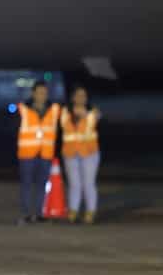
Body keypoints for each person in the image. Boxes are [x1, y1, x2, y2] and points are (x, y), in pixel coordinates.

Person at [16, 80, 61, 224]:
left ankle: (40, 213)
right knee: (27, 184)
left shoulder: (54, 109)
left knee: (42, 185)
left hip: (45, 153)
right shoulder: (23, 108)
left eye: (45, 93)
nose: (42, 96)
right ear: (33, 93)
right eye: (40, 92)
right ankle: (27, 214)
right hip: (27, 153)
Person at [61, 85, 101, 224]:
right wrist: (78, 114)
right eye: (78, 95)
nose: (80, 98)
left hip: (89, 152)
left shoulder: (92, 112)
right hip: (71, 152)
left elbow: (96, 118)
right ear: (72, 97)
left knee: (88, 183)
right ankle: (73, 211)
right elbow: (64, 124)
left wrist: (88, 114)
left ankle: (90, 212)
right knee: (74, 184)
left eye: (83, 96)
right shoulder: (65, 112)